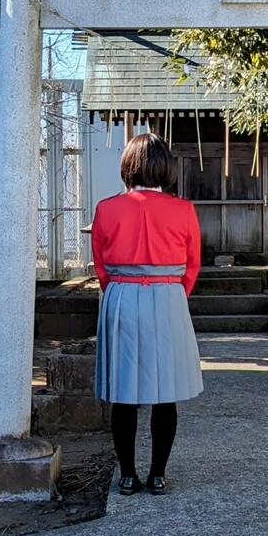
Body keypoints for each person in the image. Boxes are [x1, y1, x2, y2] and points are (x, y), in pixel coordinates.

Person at [90, 132, 203, 495]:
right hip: (168, 293)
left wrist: (118, 290)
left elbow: (101, 264)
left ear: (127, 166)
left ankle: (126, 474)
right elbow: (192, 264)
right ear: (165, 167)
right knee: (163, 391)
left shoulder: (107, 209)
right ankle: (157, 474)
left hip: (121, 293)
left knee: (124, 392)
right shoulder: (183, 209)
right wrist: (173, 291)